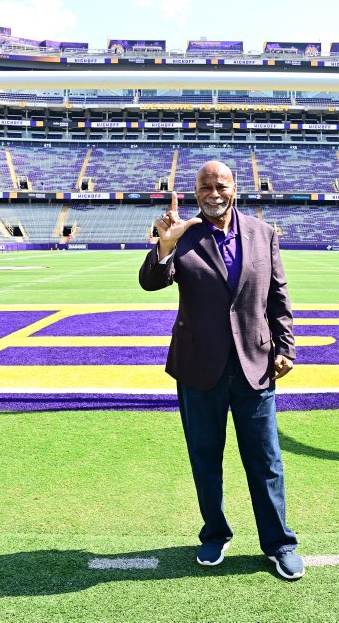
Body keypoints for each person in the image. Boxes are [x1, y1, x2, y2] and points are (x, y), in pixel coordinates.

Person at [138, 161, 304, 580]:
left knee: (266, 460)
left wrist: (286, 347)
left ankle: (279, 543)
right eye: (205, 187)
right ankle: (214, 533)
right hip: (198, 366)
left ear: (235, 188)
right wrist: (165, 246)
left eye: (221, 185)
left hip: (255, 364)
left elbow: (278, 296)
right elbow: (150, 281)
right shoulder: (182, 234)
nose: (213, 193)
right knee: (205, 458)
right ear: (195, 192)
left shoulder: (263, 233)